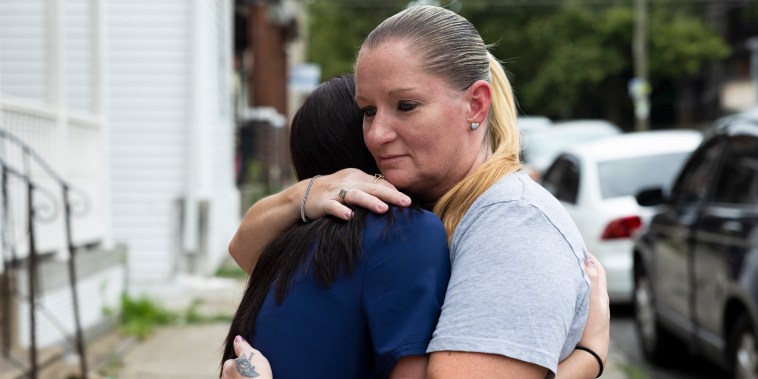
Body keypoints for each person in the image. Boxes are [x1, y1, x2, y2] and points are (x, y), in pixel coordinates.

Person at [226, 5, 610, 378]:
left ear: (475, 105)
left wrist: (589, 359)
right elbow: (248, 253)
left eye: (406, 106)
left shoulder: (512, 223)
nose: (376, 135)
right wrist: (306, 193)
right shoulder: (404, 216)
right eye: (367, 111)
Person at [220, 74, 451, 378]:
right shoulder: (404, 231)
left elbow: (240, 248)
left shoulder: (286, 244)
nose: (383, 129)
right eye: (370, 113)